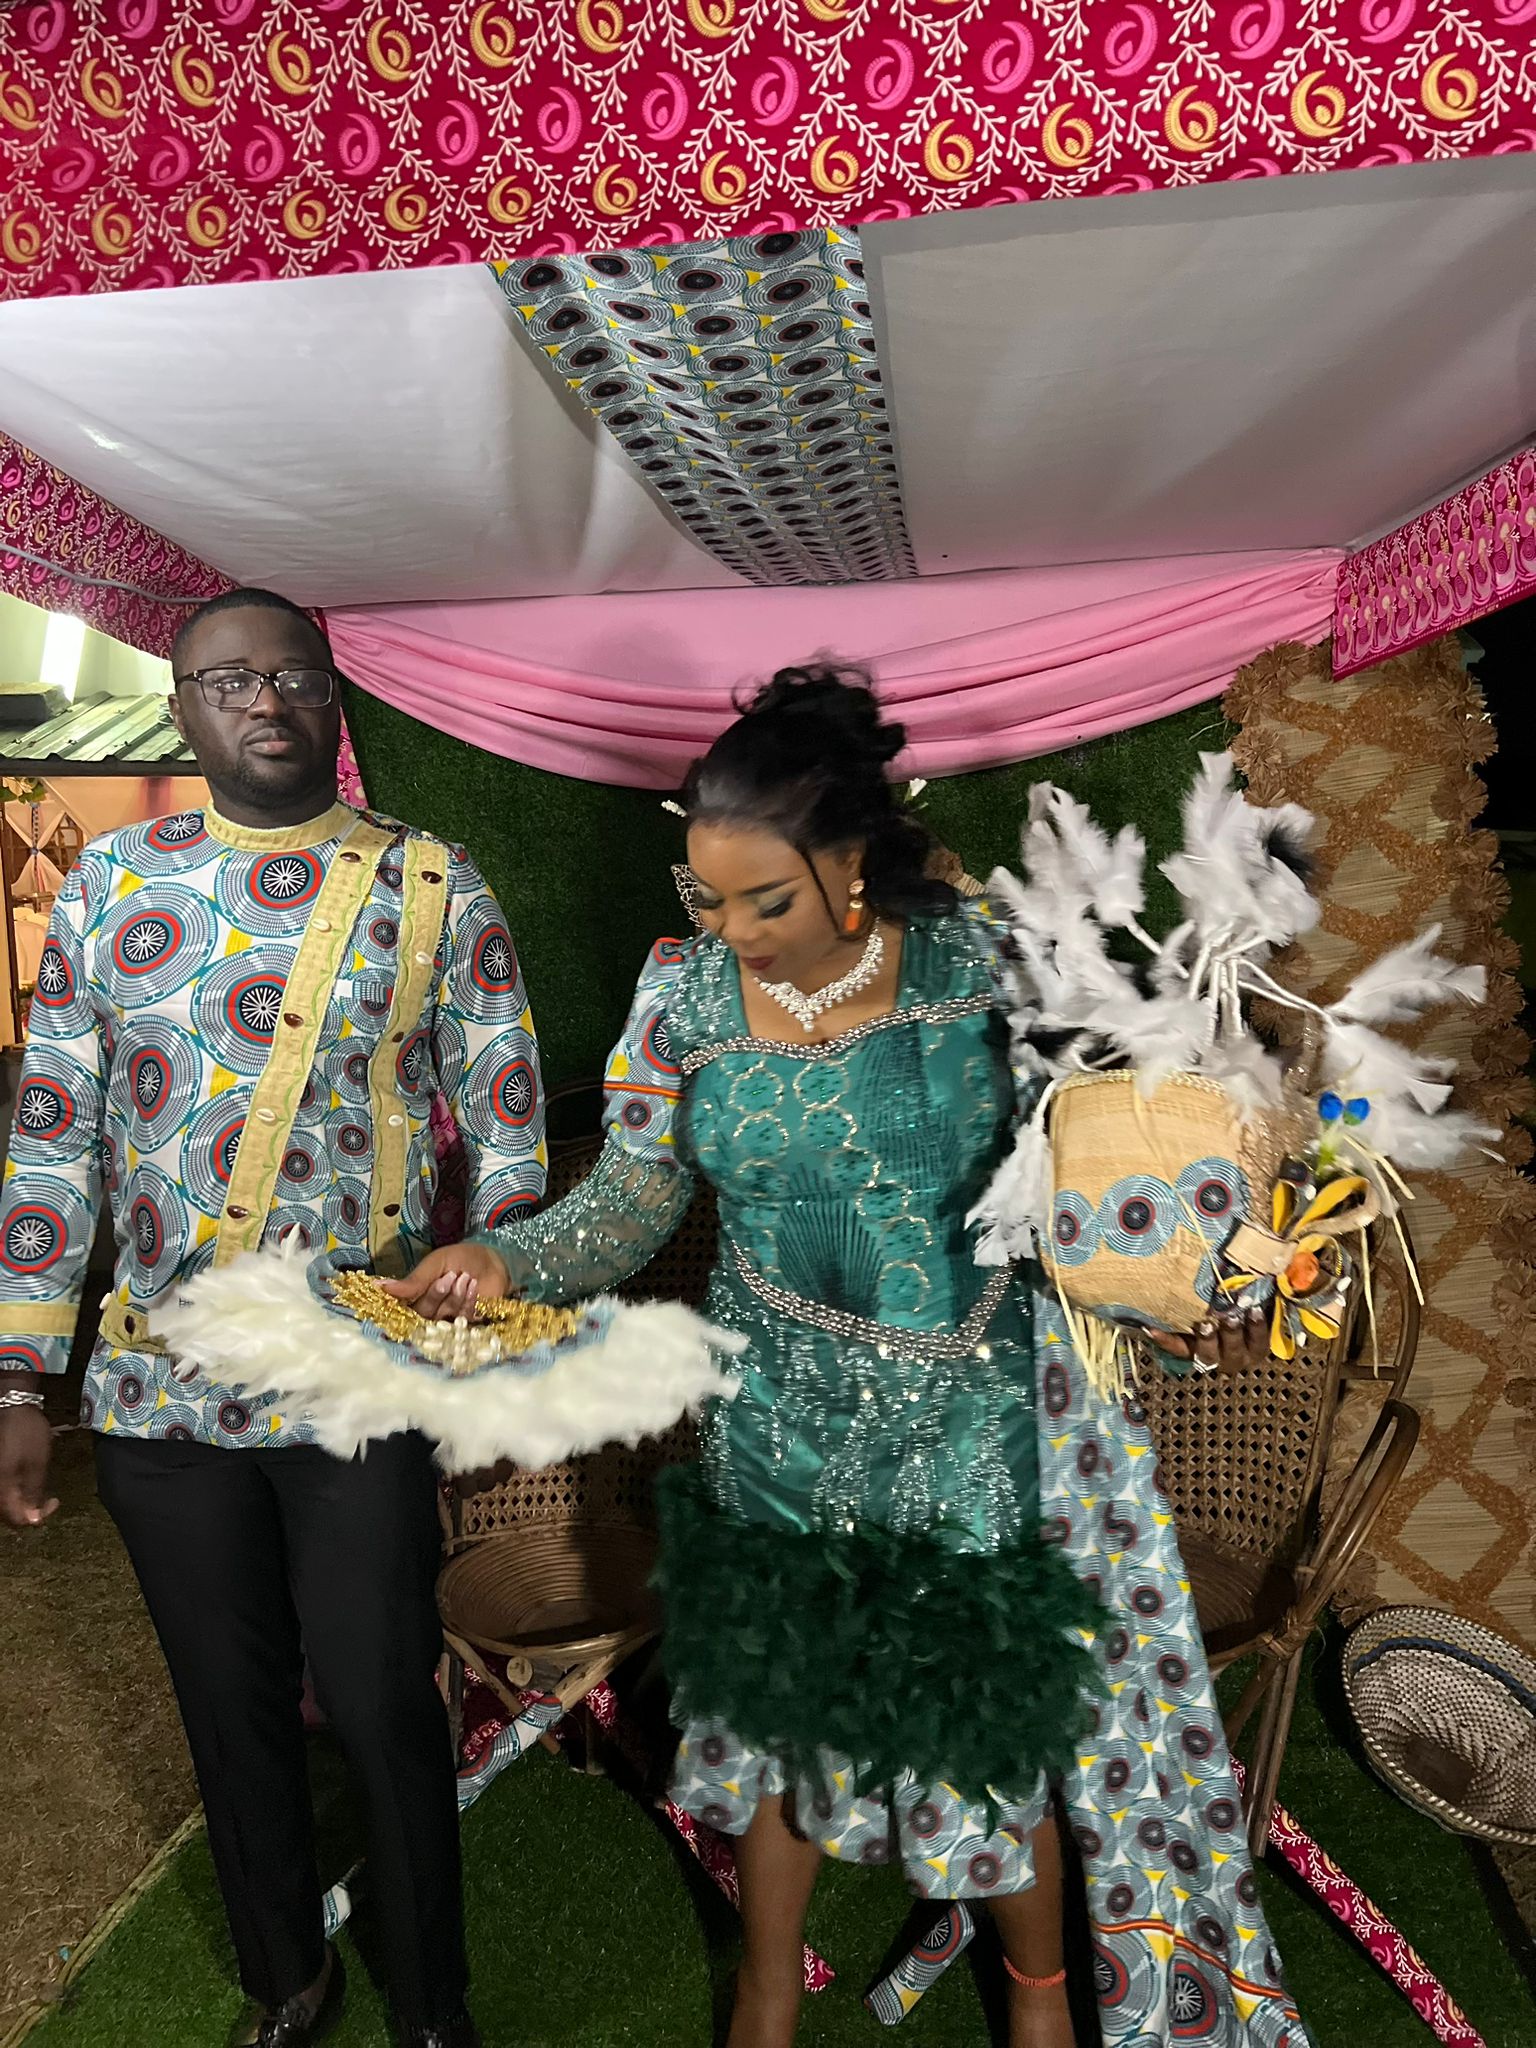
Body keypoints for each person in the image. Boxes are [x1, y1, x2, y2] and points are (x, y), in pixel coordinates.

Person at [390, 670, 1310, 2048]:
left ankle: (1041, 2001)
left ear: (852, 861)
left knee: (981, 1720)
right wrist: (506, 1260)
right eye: (709, 897)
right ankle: (768, 1993)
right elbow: (634, 1198)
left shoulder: (988, 968)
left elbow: (1105, 1173)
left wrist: (1190, 1272)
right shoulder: (682, 997)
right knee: (783, 1717)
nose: (731, 930)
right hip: (774, 1423)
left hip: (972, 1420)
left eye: (765, 899)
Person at [0, 589, 544, 2048]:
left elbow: (504, 1114)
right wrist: (17, 1380)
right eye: (228, 679)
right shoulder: (110, 882)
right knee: (224, 1704)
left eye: (293, 674)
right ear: (181, 707)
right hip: (158, 1391)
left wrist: (489, 1282)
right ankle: (284, 1977)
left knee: (381, 1698)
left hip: (353, 1370)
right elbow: (52, 1141)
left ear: (332, 696)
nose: (264, 700)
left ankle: (432, 2001)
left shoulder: (429, 880)